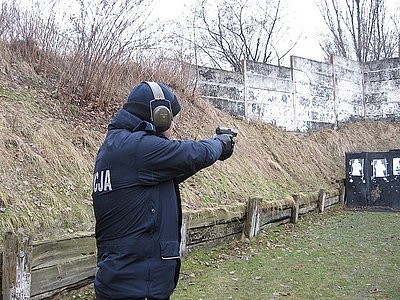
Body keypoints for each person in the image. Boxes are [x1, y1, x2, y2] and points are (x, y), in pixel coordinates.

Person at [92, 81, 235, 300]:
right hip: (137, 287)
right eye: (171, 118)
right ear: (160, 115)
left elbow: (175, 170)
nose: (174, 126)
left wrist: (214, 151)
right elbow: (191, 154)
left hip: (125, 283)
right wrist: (219, 144)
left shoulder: (118, 147)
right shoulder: (137, 148)